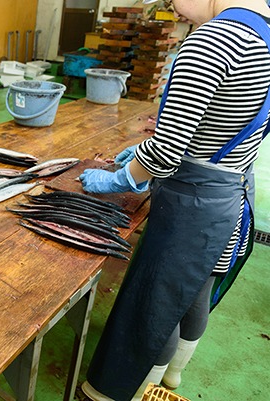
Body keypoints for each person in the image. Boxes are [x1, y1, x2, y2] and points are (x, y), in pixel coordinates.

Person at [78, 0, 270, 400]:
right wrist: (147, 146)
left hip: (193, 210)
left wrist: (119, 177)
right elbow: (221, 126)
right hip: (231, 202)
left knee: (157, 306)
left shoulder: (216, 38)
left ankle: (139, 385)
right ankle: (173, 376)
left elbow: (165, 155)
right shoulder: (265, 34)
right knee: (196, 292)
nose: (173, 9)